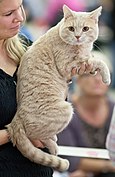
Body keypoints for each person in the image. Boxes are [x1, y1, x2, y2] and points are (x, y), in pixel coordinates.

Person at [0, 0, 97, 176]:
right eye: (8, 14)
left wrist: (65, 78)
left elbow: (56, 97)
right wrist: (19, 133)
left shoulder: (25, 45)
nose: (20, 18)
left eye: (20, 7)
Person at [57, 51, 115, 177]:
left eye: (103, 74)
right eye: (91, 74)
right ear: (77, 80)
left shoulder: (113, 107)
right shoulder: (64, 109)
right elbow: (69, 159)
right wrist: (107, 166)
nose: (98, 80)